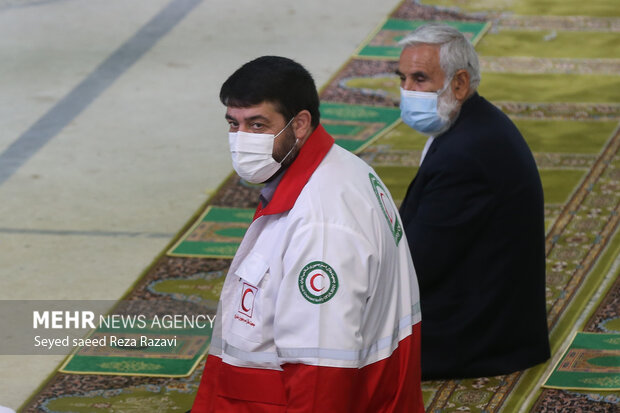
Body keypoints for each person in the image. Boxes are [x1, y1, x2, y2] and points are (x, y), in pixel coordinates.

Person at [191, 56, 424, 412]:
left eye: (257, 125)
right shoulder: (340, 168)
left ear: (299, 124)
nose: (240, 140)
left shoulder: (322, 224)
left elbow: (320, 373)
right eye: (233, 124)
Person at [396, 23, 550, 380]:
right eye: (402, 79)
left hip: (473, 337)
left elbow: (415, 268)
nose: (406, 91)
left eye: (420, 79)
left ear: (460, 84)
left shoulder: (465, 155)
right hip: (486, 308)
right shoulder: (473, 124)